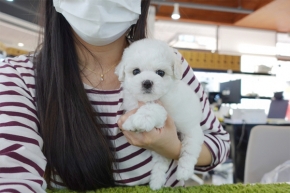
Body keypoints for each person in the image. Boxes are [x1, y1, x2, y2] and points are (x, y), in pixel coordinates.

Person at [0, 0, 230, 192]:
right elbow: (13, 174)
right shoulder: (18, 76)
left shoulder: (169, 61)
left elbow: (218, 144)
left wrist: (172, 147)